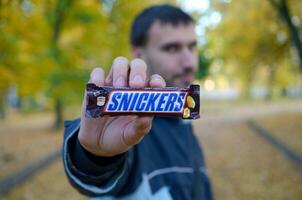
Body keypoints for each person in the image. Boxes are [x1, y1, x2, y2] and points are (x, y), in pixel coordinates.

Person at [63, 4, 213, 200]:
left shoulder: (183, 119)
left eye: (192, 47)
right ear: (139, 54)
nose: (189, 63)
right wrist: (95, 156)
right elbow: (95, 173)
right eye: (172, 48)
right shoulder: (123, 124)